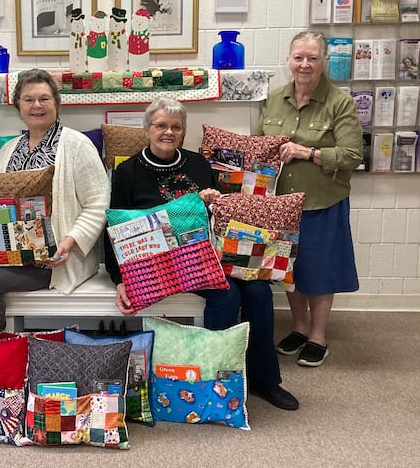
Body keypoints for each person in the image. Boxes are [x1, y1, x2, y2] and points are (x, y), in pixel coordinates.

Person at [105, 97, 299, 411]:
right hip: (158, 265)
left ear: (183, 132)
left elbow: (213, 221)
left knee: (259, 290)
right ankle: (211, 378)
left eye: (175, 127)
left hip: (202, 255)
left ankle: (265, 379)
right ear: (147, 129)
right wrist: (119, 279)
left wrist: (211, 202)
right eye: (160, 126)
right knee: (226, 295)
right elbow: (112, 228)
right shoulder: (127, 172)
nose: (168, 132)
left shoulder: (198, 164)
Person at [0, 69, 109, 339]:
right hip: (8, 251)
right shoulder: (9, 149)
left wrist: (67, 244)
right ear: (18, 106)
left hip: (53, 260)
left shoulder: (77, 145)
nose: (37, 106)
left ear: (57, 103)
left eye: (44, 99)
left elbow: (98, 204)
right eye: (28, 99)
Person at [255, 30, 363, 367]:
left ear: (324, 62)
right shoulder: (273, 99)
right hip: (281, 204)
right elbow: (260, 143)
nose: (304, 64)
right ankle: (299, 327)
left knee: (320, 271)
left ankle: (318, 336)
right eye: (299, 57)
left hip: (321, 201)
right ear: (289, 61)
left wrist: (308, 151)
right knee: (288, 269)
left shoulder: (339, 103)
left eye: (312, 58)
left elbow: (351, 155)